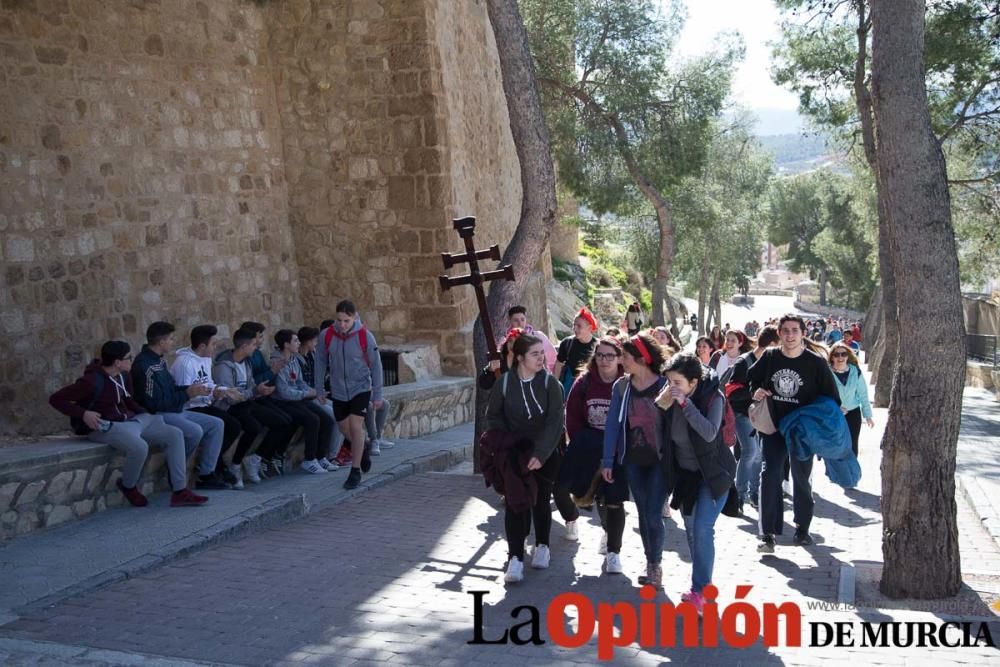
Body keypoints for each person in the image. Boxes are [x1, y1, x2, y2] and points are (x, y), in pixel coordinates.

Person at [49, 341, 208, 507]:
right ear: (118, 362)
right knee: (140, 447)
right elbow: (56, 399)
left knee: (175, 434)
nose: (131, 360)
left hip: (132, 421)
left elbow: (128, 400)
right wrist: (83, 413)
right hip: (106, 426)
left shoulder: (124, 376)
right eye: (128, 358)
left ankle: (180, 491)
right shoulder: (91, 381)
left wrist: (143, 413)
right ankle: (128, 486)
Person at [748, 314, 842, 553]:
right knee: (770, 474)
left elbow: (831, 398)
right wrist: (756, 391)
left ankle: (802, 528)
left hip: (802, 430)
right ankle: (767, 534)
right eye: (786, 330)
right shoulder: (769, 357)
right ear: (779, 334)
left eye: (794, 330)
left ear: (803, 334)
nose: (790, 335)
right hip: (774, 427)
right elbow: (752, 380)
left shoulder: (816, 363)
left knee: (801, 478)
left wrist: (820, 428)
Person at [655, 353, 736, 613]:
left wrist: (686, 405)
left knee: (702, 529)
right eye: (669, 382)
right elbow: (662, 430)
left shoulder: (714, 398)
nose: (672, 387)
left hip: (713, 475)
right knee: (692, 532)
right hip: (686, 476)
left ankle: (703, 592)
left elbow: (710, 433)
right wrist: (662, 404)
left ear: (693, 382)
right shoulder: (670, 394)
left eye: (677, 382)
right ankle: (698, 588)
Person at [486, 334, 565, 583]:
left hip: (545, 451)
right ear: (520, 357)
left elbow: (555, 423)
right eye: (535, 354)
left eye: (542, 353)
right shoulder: (505, 383)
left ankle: (542, 546)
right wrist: (508, 441)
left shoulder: (551, 385)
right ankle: (515, 558)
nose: (541, 358)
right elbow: (494, 416)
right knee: (515, 503)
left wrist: (541, 454)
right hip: (515, 452)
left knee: (541, 499)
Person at [601, 332, 669, 588]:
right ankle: (650, 562)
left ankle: (656, 564)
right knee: (643, 512)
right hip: (633, 460)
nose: (621, 361)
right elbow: (612, 427)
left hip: (660, 461)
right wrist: (608, 460)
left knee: (653, 514)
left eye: (626, 357)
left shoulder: (664, 384)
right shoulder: (622, 387)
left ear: (641, 359)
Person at [131, 322, 229, 490]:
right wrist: (187, 394)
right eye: (170, 339)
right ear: (161, 342)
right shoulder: (145, 366)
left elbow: (171, 389)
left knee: (216, 424)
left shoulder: (159, 361)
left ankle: (206, 474)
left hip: (174, 410)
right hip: (158, 415)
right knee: (194, 431)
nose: (172, 342)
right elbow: (153, 403)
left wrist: (191, 390)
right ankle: (177, 469)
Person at [561, 336, 627, 573]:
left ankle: (614, 551)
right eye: (600, 355)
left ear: (620, 357)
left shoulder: (626, 383)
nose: (604, 360)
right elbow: (573, 416)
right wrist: (583, 442)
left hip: (618, 451)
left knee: (614, 500)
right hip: (589, 447)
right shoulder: (585, 382)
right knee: (593, 494)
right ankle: (606, 533)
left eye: (610, 355)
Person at [212, 328, 297, 483]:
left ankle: (255, 459)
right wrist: (254, 391)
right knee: (253, 427)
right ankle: (236, 464)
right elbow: (230, 398)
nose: (256, 347)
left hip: (247, 402)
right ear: (243, 346)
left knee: (282, 421)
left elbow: (250, 386)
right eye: (253, 344)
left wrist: (260, 391)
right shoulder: (224, 366)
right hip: (229, 407)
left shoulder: (246, 363)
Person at [315, 300, 383, 490]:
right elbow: (320, 361)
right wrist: (319, 388)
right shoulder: (327, 335)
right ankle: (364, 448)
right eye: (339, 320)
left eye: (346, 320)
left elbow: (376, 366)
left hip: (360, 388)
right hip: (338, 390)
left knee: (355, 426)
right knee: (345, 429)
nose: (342, 325)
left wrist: (377, 394)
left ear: (354, 317)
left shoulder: (365, 336)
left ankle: (355, 471)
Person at [170, 324, 245, 486]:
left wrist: (223, 391)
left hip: (204, 403)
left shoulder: (206, 357)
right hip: (189, 408)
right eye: (213, 344)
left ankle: (214, 464)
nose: (215, 347)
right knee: (225, 424)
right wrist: (211, 393)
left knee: (234, 425)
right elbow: (186, 394)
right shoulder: (184, 363)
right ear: (202, 345)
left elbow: (208, 384)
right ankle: (210, 469)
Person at [725, 325, 780, 510]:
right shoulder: (744, 362)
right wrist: (753, 393)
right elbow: (731, 392)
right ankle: (739, 496)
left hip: (764, 417)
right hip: (743, 414)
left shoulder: (772, 362)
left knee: (758, 456)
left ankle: (755, 494)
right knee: (750, 452)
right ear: (771, 344)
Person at [271, 329, 337, 474]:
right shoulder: (276, 362)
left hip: (298, 399)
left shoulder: (293, 359)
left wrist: (313, 392)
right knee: (312, 420)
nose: (299, 343)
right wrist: (307, 393)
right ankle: (309, 460)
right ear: (286, 344)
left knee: (327, 420)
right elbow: (284, 392)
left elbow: (299, 382)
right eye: (295, 341)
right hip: (283, 402)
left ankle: (321, 457)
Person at [828, 342, 874, 457]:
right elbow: (821, 395)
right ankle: (834, 473)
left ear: (847, 356)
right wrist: (835, 407)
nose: (840, 357)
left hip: (853, 414)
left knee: (852, 446)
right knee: (835, 446)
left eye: (843, 354)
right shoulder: (826, 372)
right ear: (832, 357)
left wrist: (868, 415)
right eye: (836, 355)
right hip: (833, 414)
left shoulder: (855, 371)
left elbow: (863, 394)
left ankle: (852, 473)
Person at [554, 308, 599, 397]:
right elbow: (559, 364)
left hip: (589, 385)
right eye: (574, 325)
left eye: (579, 326)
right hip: (568, 385)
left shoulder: (597, 346)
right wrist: (554, 384)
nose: (575, 328)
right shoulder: (567, 343)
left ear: (589, 328)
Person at [506, 305, 557, 372]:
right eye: (516, 320)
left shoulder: (539, 336)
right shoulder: (507, 342)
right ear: (510, 321)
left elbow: (553, 359)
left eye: (522, 319)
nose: (520, 323)